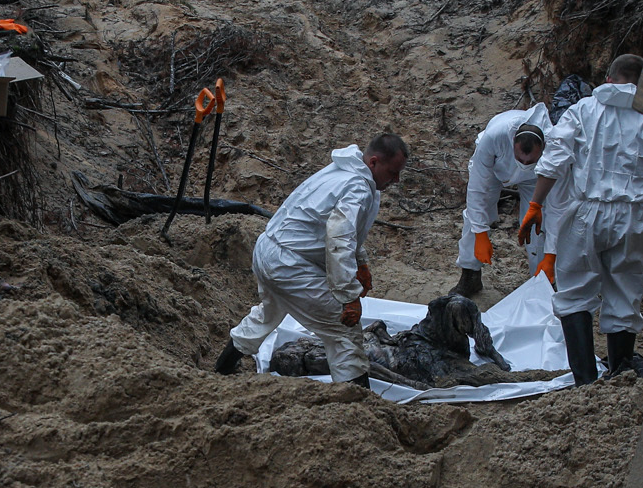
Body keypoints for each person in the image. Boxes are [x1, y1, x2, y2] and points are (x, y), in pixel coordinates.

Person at [518, 54, 643, 385]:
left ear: (610, 78)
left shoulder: (584, 110)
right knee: (626, 293)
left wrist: (535, 204)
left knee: (574, 293)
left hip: (586, 212)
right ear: (642, 85)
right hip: (634, 216)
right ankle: (620, 371)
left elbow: (555, 159)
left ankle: (585, 382)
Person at [215, 133, 408, 386]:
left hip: (269, 251)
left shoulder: (340, 172)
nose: (396, 179)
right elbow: (339, 239)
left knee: (268, 313)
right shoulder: (358, 187)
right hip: (288, 264)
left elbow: (345, 229)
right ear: (373, 163)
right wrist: (348, 297)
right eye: (393, 172)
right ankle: (358, 404)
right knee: (344, 330)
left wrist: (361, 263)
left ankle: (223, 367)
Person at [452, 77, 590, 298]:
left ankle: (542, 279)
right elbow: (478, 188)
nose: (524, 163)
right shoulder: (494, 137)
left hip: (538, 178)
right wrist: (480, 233)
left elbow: (558, 207)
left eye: (529, 160)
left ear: (543, 147)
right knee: (475, 216)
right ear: (512, 142)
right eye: (520, 158)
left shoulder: (556, 150)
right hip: (497, 170)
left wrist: (551, 254)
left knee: (538, 224)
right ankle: (470, 275)